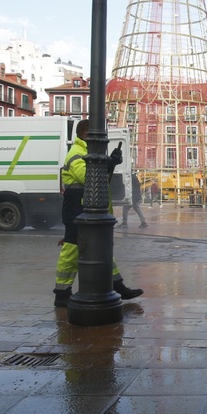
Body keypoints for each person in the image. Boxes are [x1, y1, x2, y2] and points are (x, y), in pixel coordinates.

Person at [53, 119, 143, 307]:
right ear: (86, 134)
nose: (103, 139)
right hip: (78, 211)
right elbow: (89, 179)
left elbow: (97, 179)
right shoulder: (77, 154)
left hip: (83, 210)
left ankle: (118, 285)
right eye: (99, 134)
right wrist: (109, 163)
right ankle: (62, 293)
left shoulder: (85, 152)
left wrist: (110, 163)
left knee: (100, 250)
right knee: (71, 252)